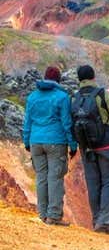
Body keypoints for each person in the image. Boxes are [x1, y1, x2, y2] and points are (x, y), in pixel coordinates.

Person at [22, 66, 77, 226]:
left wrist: (27, 142)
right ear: (58, 80)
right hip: (56, 142)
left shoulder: (32, 97)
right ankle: (53, 216)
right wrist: (73, 145)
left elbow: (27, 122)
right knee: (55, 178)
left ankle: (42, 214)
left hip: (35, 141)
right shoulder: (62, 97)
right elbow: (67, 123)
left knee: (41, 177)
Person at [72, 65, 109, 236]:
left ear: (79, 79)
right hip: (107, 145)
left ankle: (96, 221)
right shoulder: (103, 94)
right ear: (93, 77)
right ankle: (105, 223)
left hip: (87, 147)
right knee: (108, 181)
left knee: (93, 184)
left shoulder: (75, 97)